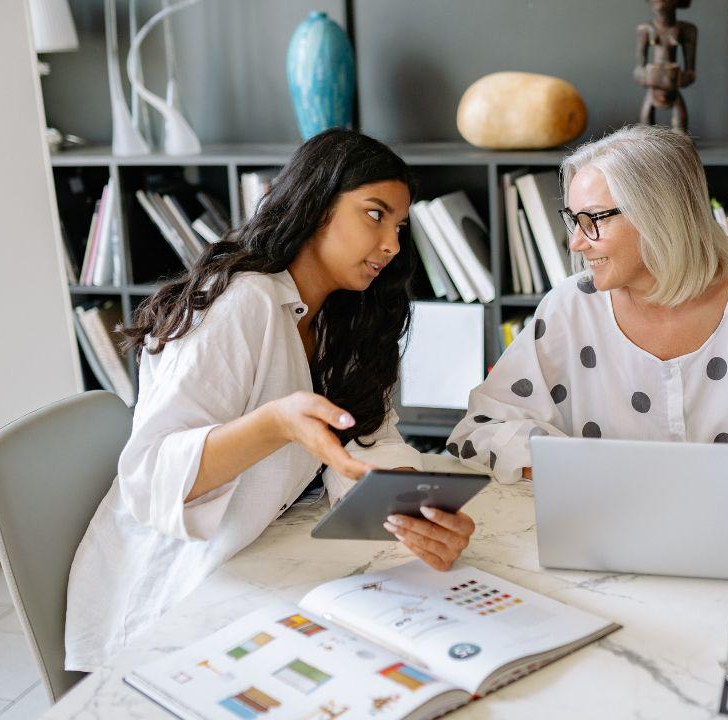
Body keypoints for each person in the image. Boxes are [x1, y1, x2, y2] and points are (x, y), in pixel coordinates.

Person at [64, 130, 475, 671]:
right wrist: (275, 425)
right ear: (317, 203)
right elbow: (149, 477)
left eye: (399, 227)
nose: (393, 245)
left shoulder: (343, 318)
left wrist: (417, 513)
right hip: (174, 594)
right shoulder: (242, 303)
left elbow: (373, 439)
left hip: (259, 565)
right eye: (374, 215)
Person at [447, 124, 728, 493]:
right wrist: (576, 469)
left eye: (594, 220)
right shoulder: (568, 309)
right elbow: (480, 431)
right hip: (598, 536)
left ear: (659, 216)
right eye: (574, 219)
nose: (576, 242)